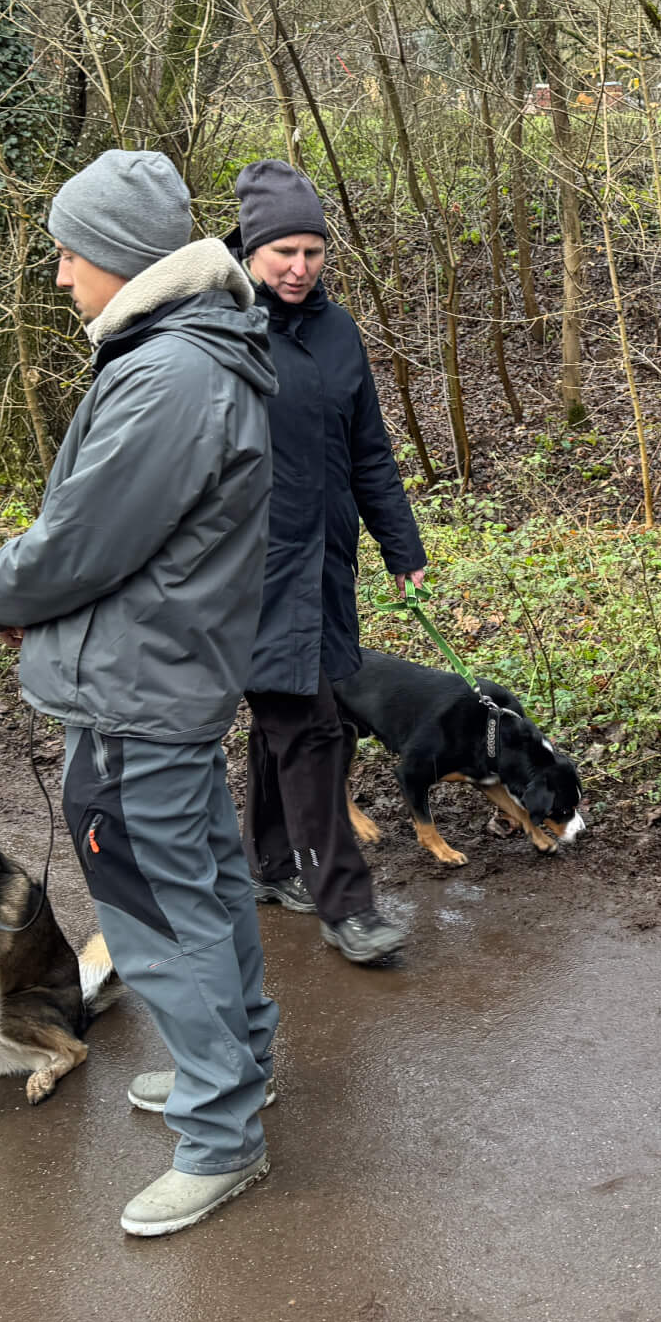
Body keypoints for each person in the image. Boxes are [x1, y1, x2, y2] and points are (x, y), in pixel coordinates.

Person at [0, 148, 281, 1239]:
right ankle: (234, 1070)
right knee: (206, 889)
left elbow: (78, 543)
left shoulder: (169, 375)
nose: (60, 274)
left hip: (133, 694)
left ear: (119, 255)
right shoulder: (191, 352)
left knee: (156, 914)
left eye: (69, 253)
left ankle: (221, 1132)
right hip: (160, 680)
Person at [226, 159, 429, 966]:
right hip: (248, 572)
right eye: (285, 253)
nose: (299, 268)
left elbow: (367, 448)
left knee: (288, 717)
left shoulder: (338, 330)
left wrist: (400, 545)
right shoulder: (222, 329)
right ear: (251, 250)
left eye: (313, 252)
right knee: (312, 727)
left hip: (324, 563)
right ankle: (349, 906)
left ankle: (272, 865)